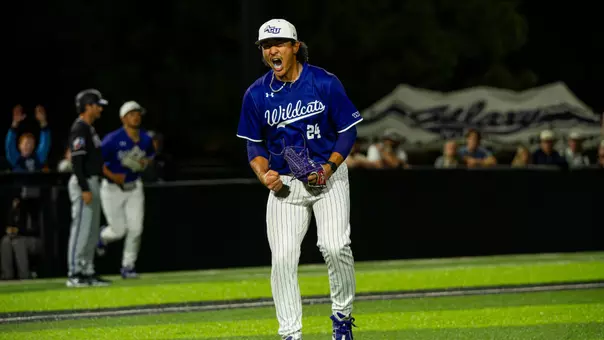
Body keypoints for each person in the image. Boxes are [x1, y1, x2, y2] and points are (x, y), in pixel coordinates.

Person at [236, 19, 360, 340]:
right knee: (282, 260)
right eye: (265, 46)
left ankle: (342, 318)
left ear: (295, 47)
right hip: (287, 186)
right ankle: (291, 334)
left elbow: (348, 132)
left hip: (327, 176)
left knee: (334, 247)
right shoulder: (256, 94)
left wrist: (329, 167)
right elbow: (255, 145)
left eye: (277, 44)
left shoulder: (324, 83)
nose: (271, 50)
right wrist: (265, 175)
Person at [97, 101, 155, 279]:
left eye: (138, 113)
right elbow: (97, 162)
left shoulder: (145, 138)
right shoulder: (112, 139)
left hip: (134, 186)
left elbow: (151, 154)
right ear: (123, 118)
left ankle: (128, 266)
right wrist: (113, 176)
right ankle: (102, 237)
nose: (136, 116)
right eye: (131, 114)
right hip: (112, 188)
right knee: (118, 230)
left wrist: (146, 162)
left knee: (136, 229)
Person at [65, 89, 111, 287]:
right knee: (81, 229)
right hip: (83, 182)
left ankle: (87, 270)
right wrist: (84, 187)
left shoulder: (89, 128)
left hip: (92, 181)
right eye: (97, 105)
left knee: (91, 230)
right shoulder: (80, 128)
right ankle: (74, 273)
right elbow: (77, 161)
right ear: (88, 106)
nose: (100, 108)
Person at [1, 197, 43, 280]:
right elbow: (10, 225)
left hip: (33, 240)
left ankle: (24, 275)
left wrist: (19, 231)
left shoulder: (30, 206)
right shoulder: (12, 210)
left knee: (18, 242)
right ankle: (7, 275)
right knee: (5, 241)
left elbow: (33, 229)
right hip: (17, 237)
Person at [5, 104, 51, 172]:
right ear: (19, 146)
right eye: (26, 143)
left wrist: (43, 121)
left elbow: (45, 143)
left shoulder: (39, 158)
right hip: (19, 182)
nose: (29, 146)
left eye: (31, 144)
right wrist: (15, 123)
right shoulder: (14, 158)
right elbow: (9, 144)